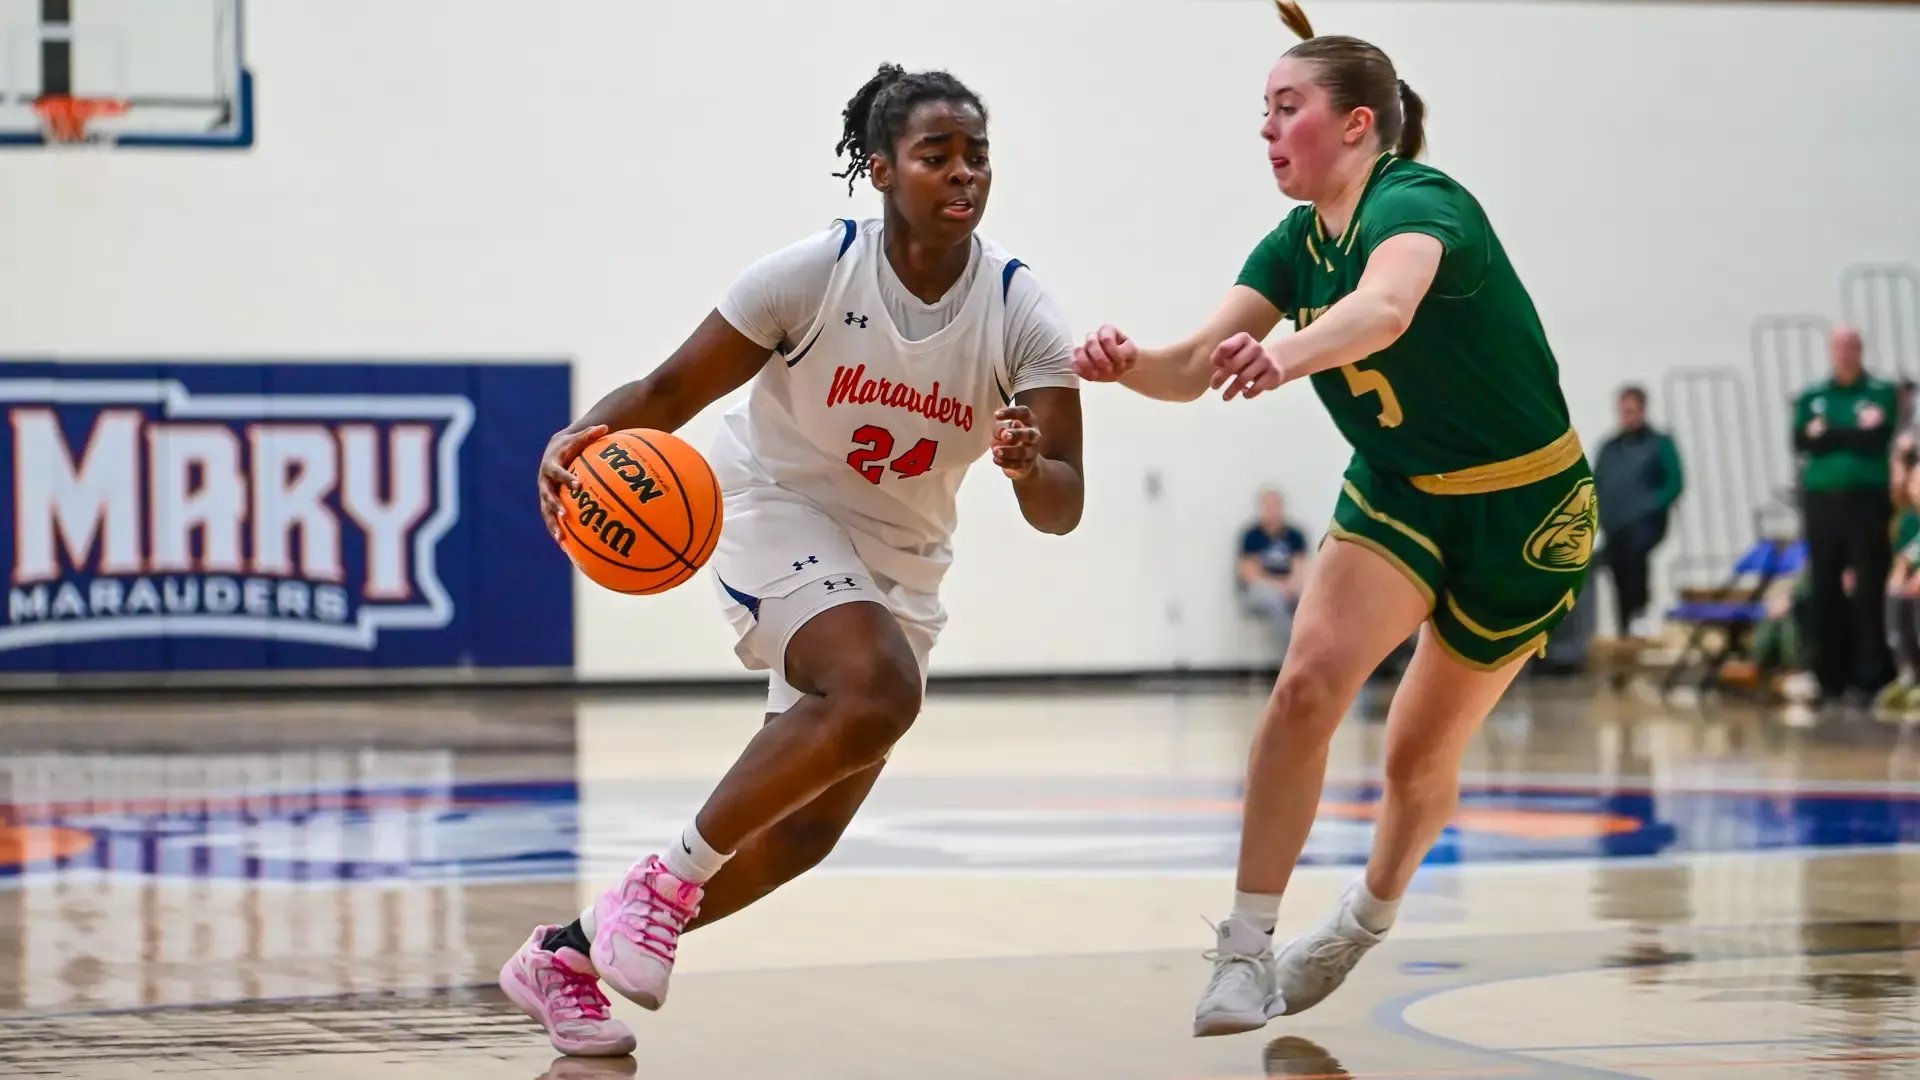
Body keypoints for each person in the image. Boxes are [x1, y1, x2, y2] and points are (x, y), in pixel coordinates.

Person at [499, 63, 1085, 1056]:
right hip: (769, 503)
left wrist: (1031, 468)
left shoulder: (1022, 311)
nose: (963, 175)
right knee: (878, 691)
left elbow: (1064, 505)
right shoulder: (813, 273)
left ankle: (568, 953)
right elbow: (667, 390)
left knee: (805, 833)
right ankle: (663, 885)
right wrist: (579, 437)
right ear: (880, 169)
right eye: (936, 156)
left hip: (902, 559)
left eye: (977, 157)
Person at [1072, 1, 1595, 1037]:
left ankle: (1363, 920)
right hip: (1399, 487)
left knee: (1412, 759)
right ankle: (1245, 943)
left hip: (1524, 506)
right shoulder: (1291, 243)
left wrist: (1287, 356)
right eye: (1260, 112)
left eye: (1287, 108)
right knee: (1306, 685)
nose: (1267, 130)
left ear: (1357, 124)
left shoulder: (1422, 201)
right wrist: (1127, 367)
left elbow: (1385, 310)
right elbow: (1190, 366)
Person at [1793, 325, 1897, 705]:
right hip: (1823, 501)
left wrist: (1829, 434)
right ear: (1832, 351)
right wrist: (1847, 432)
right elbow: (1802, 441)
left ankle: (1871, 674)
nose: (1846, 353)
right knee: (1824, 584)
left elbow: (1875, 438)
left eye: (1852, 346)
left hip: (1866, 500)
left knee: (1869, 584)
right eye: (1839, 347)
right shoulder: (1813, 396)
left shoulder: (1880, 393)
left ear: (1861, 350)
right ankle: (1829, 675)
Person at [1592, 385, 1683, 639]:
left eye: (1631, 411)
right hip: (1614, 526)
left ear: (1642, 410)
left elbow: (1674, 483)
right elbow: (1594, 482)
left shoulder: (1659, 444)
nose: (1626, 417)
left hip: (1644, 525)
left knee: (1635, 564)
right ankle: (1624, 628)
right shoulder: (1609, 448)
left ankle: (1640, 617)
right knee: (1616, 569)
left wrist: (1649, 506)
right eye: (1622, 411)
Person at [1238, 487, 1312, 661]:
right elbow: (1249, 573)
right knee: (1275, 601)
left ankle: (1318, 657)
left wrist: (1291, 585)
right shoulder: (1251, 536)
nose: (1272, 509)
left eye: (1276, 505)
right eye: (1268, 505)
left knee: (1311, 600)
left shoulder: (1295, 535)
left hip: (1289, 586)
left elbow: (1301, 569)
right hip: (1260, 589)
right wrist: (1277, 586)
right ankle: (1289, 660)